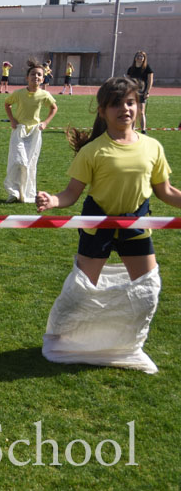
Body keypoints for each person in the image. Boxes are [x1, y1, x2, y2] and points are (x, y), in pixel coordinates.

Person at [35, 77, 181, 373]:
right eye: (116, 104)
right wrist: (53, 200)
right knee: (80, 290)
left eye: (130, 102)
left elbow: (166, 191)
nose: (124, 109)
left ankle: (129, 347)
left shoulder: (153, 147)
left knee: (149, 290)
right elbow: (71, 194)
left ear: (139, 107)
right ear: (102, 111)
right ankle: (58, 339)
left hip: (137, 224)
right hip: (97, 223)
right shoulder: (93, 151)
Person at [3, 59, 58, 203]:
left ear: (43, 78)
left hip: (34, 132)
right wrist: (12, 120)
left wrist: (45, 122)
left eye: (39, 75)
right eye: (33, 74)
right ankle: (13, 192)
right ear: (27, 77)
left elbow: (54, 108)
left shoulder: (44, 95)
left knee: (29, 164)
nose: (36, 77)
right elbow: (7, 104)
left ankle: (26, 193)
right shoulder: (19, 93)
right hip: (19, 131)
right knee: (17, 161)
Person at [125, 51, 153, 134]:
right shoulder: (131, 69)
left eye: (141, 56)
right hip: (132, 93)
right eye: (138, 56)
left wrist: (147, 92)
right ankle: (132, 129)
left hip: (142, 92)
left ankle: (143, 130)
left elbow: (150, 81)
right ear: (135, 58)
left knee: (141, 112)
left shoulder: (147, 68)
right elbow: (128, 81)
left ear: (144, 59)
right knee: (133, 111)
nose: (139, 58)